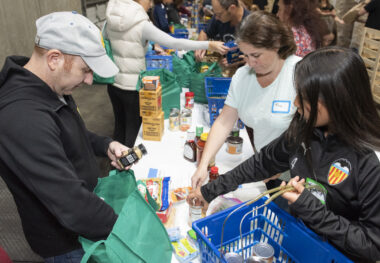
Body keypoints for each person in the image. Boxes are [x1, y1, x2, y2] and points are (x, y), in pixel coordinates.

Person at [188, 47, 380, 262]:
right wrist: (210, 191)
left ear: (337, 102)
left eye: (306, 98)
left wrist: (312, 210)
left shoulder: (370, 161)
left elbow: (371, 245)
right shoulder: (306, 127)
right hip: (296, 243)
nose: (296, 103)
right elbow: (263, 162)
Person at [0, 12, 130, 262]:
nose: (90, 80)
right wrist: (130, 230)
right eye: (86, 70)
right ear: (54, 59)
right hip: (66, 242)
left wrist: (106, 144)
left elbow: (70, 133)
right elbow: (72, 205)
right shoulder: (22, 118)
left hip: (81, 219)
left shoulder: (51, 86)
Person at [191, 11, 300, 191]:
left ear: (276, 45)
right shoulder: (243, 76)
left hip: (295, 175)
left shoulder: (299, 73)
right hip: (265, 168)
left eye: (256, 55)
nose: (249, 63)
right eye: (245, 55)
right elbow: (225, 121)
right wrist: (203, 165)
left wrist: (282, 166)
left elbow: (315, 137)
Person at [106, 0, 228, 148]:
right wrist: (208, 44)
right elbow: (174, 43)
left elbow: (114, 43)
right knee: (134, 133)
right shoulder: (140, 23)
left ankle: (116, 164)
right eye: (149, 1)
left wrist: (149, 45)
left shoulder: (110, 19)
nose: (151, 4)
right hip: (134, 88)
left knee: (120, 129)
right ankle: (129, 167)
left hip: (114, 84)